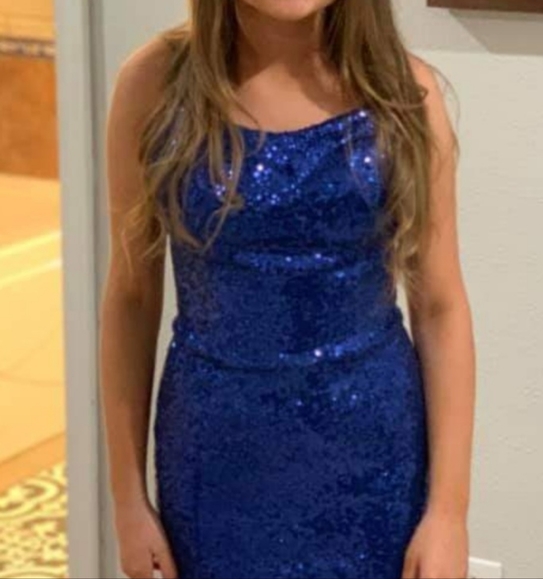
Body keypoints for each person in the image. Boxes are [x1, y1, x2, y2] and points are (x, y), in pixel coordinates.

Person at [99, 1, 476, 578]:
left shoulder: (404, 94)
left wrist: (449, 512)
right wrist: (127, 499)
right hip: (215, 466)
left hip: (372, 467)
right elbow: (131, 298)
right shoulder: (156, 85)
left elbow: (441, 309)